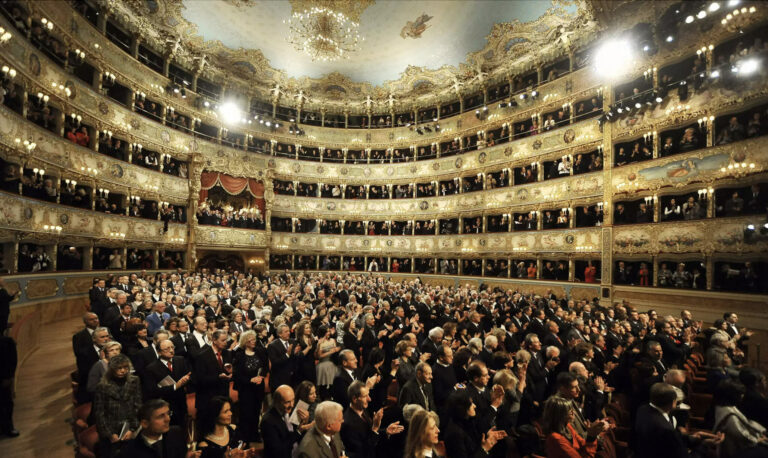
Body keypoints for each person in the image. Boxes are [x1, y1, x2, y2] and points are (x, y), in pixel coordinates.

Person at [93, 354, 142, 457]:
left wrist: (132, 429)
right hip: (111, 429)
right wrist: (109, 434)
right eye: (119, 368)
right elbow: (99, 413)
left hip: (130, 425)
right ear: (111, 369)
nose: (123, 371)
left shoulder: (134, 381)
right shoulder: (102, 386)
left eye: (125, 367)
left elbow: (137, 405)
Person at [117, 399, 199, 458]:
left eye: (168, 414)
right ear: (145, 423)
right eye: (161, 416)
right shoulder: (129, 451)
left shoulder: (175, 433)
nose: (168, 419)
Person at [341, 381, 404, 458]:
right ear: (355, 399)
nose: (369, 399)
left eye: (368, 395)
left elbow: (369, 434)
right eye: (365, 396)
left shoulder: (363, 410)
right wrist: (375, 428)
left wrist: (386, 431)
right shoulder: (347, 423)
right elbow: (363, 450)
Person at [713, 379, 768, 458]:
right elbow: (742, 436)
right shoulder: (729, 416)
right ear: (732, 395)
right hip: (734, 450)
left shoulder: (723, 406)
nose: (742, 396)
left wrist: (760, 431)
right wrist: (758, 439)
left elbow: (746, 422)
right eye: (740, 394)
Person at [442, 389, 505, 458]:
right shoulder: (455, 433)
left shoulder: (467, 421)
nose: (474, 406)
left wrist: (487, 434)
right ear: (463, 408)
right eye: (471, 403)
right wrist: (484, 449)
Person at [143, 339, 191, 427]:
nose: (171, 350)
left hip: (181, 403)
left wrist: (187, 379)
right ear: (159, 352)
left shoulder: (180, 360)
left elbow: (188, 376)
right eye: (167, 349)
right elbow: (152, 391)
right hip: (165, 406)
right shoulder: (151, 368)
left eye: (172, 347)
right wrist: (175, 386)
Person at [541, 396, 608, 458]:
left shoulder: (567, 426)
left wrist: (591, 434)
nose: (574, 413)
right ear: (560, 416)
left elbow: (582, 444)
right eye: (570, 412)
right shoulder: (556, 438)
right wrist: (591, 437)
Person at [232, 330, 266, 443]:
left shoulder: (260, 351)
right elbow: (237, 376)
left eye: (254, 339)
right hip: (246, 390)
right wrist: (250, 380)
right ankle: (245, 438)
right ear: (246, 342)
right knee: (246, 415)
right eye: (251, 339)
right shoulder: (239, 356)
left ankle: (255, 435)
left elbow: (266, 367)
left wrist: (261, 377)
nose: (254, 341)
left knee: (256, 413)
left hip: (258, 389)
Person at [261, 385, 301, 458]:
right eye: (287, 402)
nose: (292, 405)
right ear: (277, 402)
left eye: (293, 400)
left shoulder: (288, 411)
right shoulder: (268, 422)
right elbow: (279, 451)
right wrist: (298, 432)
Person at [0, 333, 18, 438]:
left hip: (4, 378)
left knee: (7, 404)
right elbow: (13, 360)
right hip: (4, 378)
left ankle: (8, 427)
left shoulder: (7, 342)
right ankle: (7, 428)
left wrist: (9, 376)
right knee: (6, 404)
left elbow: (12, 361)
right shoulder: (7, 341)